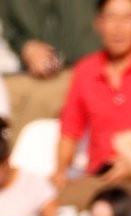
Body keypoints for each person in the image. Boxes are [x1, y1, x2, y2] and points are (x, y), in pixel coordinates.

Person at [55, 0, 131, 208]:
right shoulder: (85, 70)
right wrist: (59, 171)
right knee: (54, 204)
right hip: (98, 177)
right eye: (111, 18)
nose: (118, 27)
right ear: (98, 23)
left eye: (127, 18)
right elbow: (70, 130)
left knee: (118, 208)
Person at [0, 0, 97, 135]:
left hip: (86, 69)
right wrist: (26, 47)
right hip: (25, 73)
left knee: (38, 103)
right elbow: (10, 27)